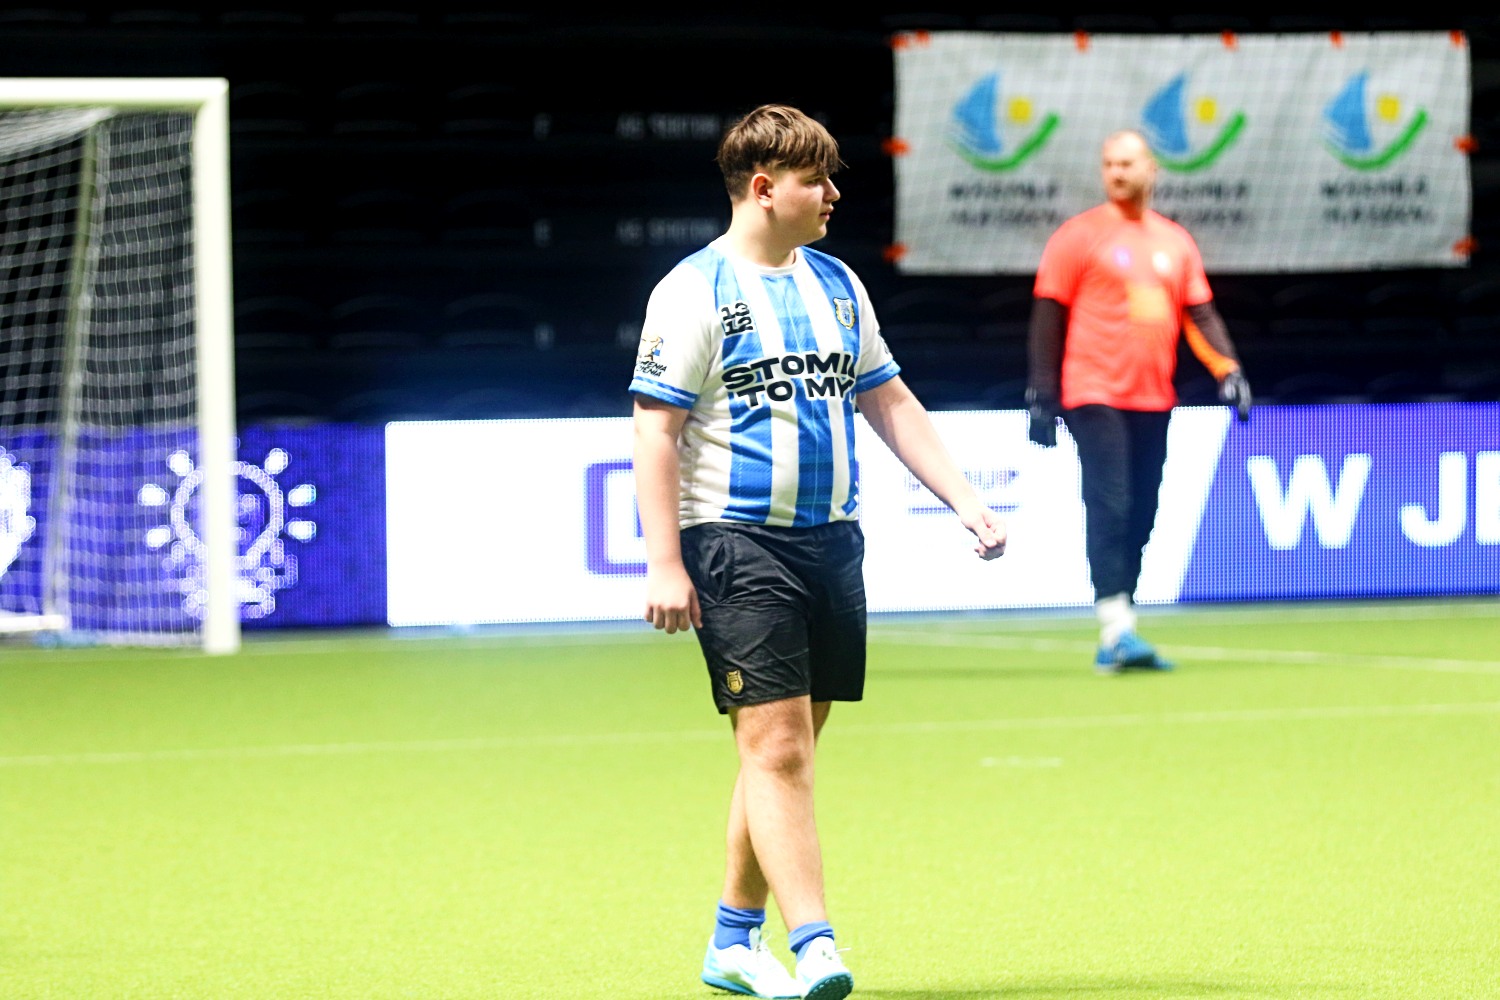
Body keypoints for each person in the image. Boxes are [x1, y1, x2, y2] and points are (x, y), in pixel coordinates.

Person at [630, 104, 1007, 1000]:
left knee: (783, 750)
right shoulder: (691, 290)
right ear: (765, 189)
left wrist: (963, 498)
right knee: (779, 748)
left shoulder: (838, 283)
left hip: (833, 541)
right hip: (735, 540)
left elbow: (889, 401)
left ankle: (732, 940)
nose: (834, 193)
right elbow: (654, 431)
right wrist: (664, 561)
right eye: (817, 179)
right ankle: (817, 944)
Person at [1024, 128, 1252, 675]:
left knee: (1144, 510)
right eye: (1109, 164)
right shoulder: (1078, 236)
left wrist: (1228, 369)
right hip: (1092, 391)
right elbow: (1048, 314)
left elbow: (1199, 314)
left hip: (1153, 396)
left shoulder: (1175, 241)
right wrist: (1042, 393)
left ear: (1152, 169)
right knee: (1112, 502)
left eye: (1126, 163)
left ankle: (1123, 621)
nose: (1116, 173)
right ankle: (1115, 628)